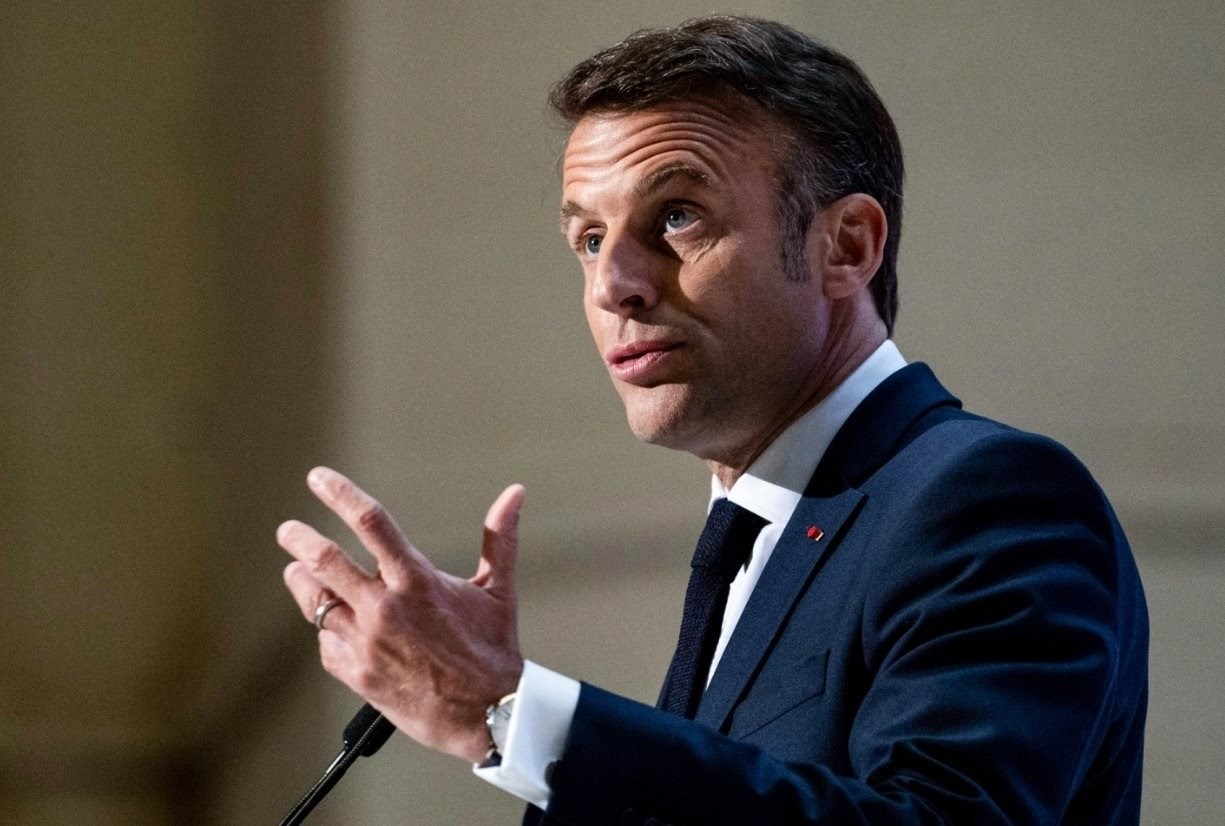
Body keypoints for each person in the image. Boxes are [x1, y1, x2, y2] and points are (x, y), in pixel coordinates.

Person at [277, 16, 1148, 824]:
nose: (613, 285)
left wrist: (504, 710)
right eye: (589, 239)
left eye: (676, 217)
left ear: (845, 246)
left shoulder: (986, 499)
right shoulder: (758, 541)